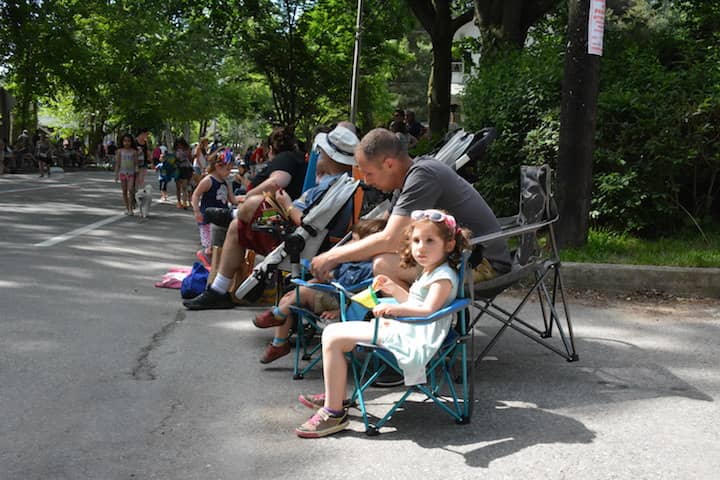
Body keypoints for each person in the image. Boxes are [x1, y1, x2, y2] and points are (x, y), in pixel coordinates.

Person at [294, 209, 469, 438]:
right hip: (409, 327)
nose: (421, 247)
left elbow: (427, 310)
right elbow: (416, 302)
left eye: (429, 241)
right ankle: (334, 396)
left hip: (415, 336)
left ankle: (334, 411)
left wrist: (394, 308)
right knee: (333, 334)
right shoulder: (431, 271)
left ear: (448, 245)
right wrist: (393, 289)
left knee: (334, 337)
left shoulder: (442, 276)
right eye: (416, 240)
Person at [311, 127, 512, 292]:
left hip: (483, 265)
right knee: (378, 258)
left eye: (369, 173)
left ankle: (416, 331)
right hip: (464, 256)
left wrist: (332, 256)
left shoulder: (422, 176)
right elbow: (382, 229)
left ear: (389, 164)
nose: (366, 181)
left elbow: (391, 239)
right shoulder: (408, 178)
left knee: (383, 264)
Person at [183, 124, 358, 310]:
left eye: (321, 154)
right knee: (237, 226)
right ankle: (218, 290)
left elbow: (307, 223)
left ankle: (230, 215)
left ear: (329, 157)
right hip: (302, 235)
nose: (318, 158)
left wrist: (287, 205)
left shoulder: (334, 187)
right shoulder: (341, 184)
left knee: (252, 204)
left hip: (297, 239)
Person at [253, 218, 387, 364]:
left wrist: (340, 310)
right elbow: (331, 279)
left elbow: (364, 298)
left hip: (344, 303)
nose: (350, 245)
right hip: (334, 294)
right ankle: (279, 344)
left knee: (301, 294)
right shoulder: (351, 262)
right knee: (289, 297)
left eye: (355, 242)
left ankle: (277, 315)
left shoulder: (371, 269)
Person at [191, 154, 237, 268]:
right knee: (211, 246)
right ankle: (208, 261)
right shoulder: (208, 180)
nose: (229, 172)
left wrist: (248, 198)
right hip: (208, 219)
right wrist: (197, 211)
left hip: (221, 219)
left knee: (220, 246)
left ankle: (213, 266)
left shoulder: (225, 182)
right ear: (218, 166)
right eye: (227, 169)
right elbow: (196, 195)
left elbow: (233, 199)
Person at [114, 134, 139, 215]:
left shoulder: (134, 152)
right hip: (123, 173)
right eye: (125, 141)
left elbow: (136, 164)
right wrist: (116, 174)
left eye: (128, 141)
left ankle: (131, 208)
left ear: (131, 142)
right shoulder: (119, 151)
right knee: (124, 191)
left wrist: (137, 173)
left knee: (131, 190)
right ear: (122, 142)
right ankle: (127, 208)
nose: (127, 143)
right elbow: (118, 163)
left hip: (131, 173)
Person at [175, 138, 194, 209]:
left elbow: (190, 158)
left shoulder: (187, 149)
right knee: (178, 187)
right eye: (178, 144)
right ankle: (179, 202)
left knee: (185, 186)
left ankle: (185, 202)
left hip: (186, 168)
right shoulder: (174, 150)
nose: (179, 145)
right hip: (177, 169)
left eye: (181, 144)